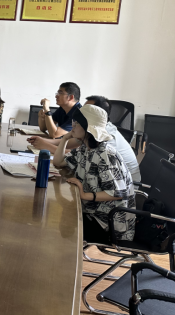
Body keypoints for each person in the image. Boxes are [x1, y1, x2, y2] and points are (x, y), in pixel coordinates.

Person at [53, 104, 136, 243]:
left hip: (108, 223)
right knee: (60, 222)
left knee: (57, 227)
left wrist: (84, 195)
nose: (73, 126)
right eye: (74, 122)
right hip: (91, 211)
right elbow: (59, 162)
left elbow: (118, 193)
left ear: (88, 128)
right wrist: (65, 139)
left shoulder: (106, 155)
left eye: (77, 123)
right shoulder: (85, 148)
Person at [28, 95, 141, 181]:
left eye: (87, 109)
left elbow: (116, 192)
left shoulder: (105, 142)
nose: (81, 111)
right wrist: (50, 141)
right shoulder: (89, 136)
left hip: (124, 184)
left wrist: (46, 146)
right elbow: (69, 150)